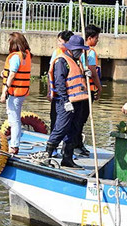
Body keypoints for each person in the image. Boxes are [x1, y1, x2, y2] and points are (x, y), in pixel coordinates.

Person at [46, 35, 89, 168]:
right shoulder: (62, 61)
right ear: (72, 49)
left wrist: (86, 74)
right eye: (79, 50)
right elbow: (59, 82)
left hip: (78, 101)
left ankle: (67, 158)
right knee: (61, 128)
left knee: (74, 130)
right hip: (65, 102)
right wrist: (65, 101)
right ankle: (46, 156)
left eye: (82, 50)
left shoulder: (77, 61)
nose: (81, 52)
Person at [0, 32, 32, 155]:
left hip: (14, 93)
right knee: (15, 119)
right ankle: (14, 144)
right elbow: (13, 72)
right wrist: (4, 73)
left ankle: (14, 146)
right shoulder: (26, 55)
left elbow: (12, 74)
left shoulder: (15, 57)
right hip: (22, 92)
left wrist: (4, 92)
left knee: (14, 120)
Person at [76, 24, 102, 157]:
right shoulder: (89, 52)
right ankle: (77, 144)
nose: (97, 40)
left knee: (80, 117)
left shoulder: (79, 50)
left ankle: (77, 142)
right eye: (96, 38)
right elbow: (93, 72)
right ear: (90, 38)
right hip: (87, 89)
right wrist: (99, 87)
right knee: (82, 117)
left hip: (80, 89)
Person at [48, 30, 74, 134]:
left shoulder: (74, 54)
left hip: (70, 95)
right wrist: (49, 91)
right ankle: (53, 144)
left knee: (67, 121)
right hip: (58, 94)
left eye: (60, 41)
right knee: (54, 119)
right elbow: (50, 74)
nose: (58, 43)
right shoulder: (57, 53)